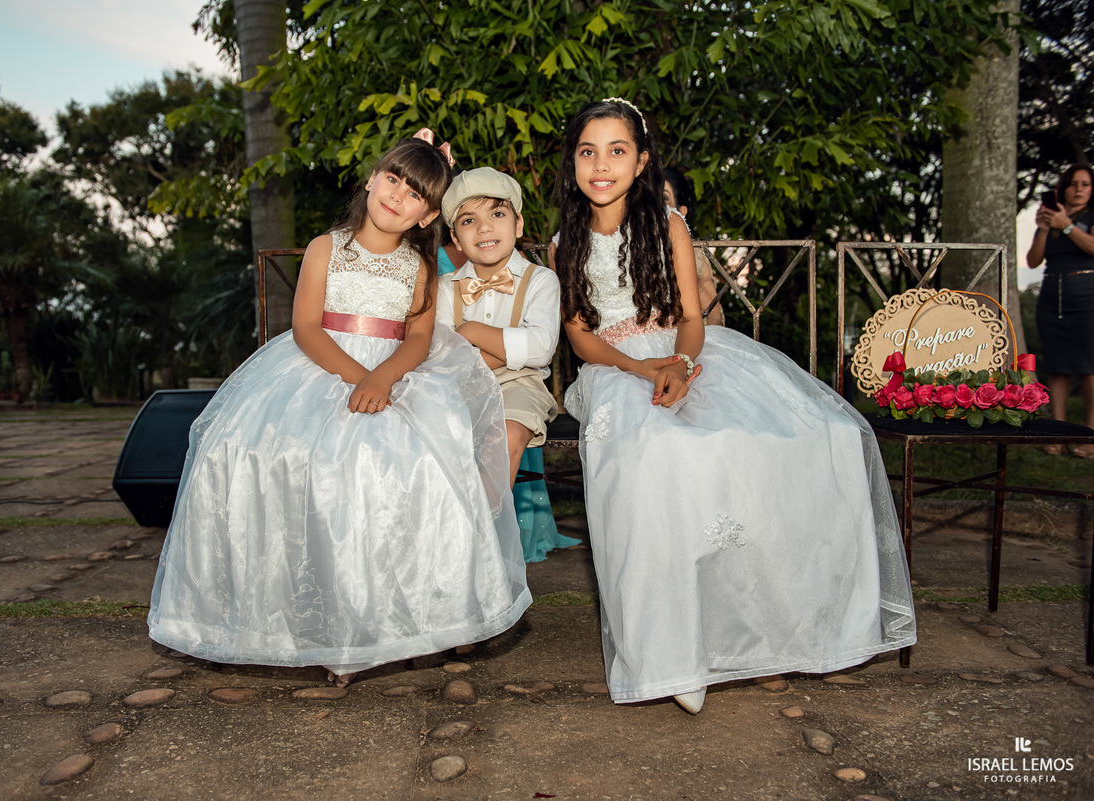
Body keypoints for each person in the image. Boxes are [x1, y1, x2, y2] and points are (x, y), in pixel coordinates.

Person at [551, 99, 916, 714]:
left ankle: (776, 621)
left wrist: (684, 367)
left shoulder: (667, 225)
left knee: (809, 435)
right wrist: (643, 367)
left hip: (691, 352)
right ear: (574, 162)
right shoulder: (568, 240)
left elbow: (692, 318)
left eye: (617, 150)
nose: (602, 164)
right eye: (589, 151)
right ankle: (672, 650)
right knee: (654, 450)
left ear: (641, 162)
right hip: (614, 369)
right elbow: (581, 334)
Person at [148, 132, 532, 687]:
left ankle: (386, 626)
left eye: (416, 194)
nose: (398, 196)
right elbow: (305, 326)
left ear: (428, 217)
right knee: (248, 450)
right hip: (318, 366)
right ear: (373, 178)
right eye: (394, 179)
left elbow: (419, 339)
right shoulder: (327, 247)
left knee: (398, 465)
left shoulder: (419, 267)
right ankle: (297, 623)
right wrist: (357, 377)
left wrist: (384, 377)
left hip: (394, 372)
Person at [436, 177, 579, 563]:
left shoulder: (541, 281)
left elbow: (539, 348)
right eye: (468, 220)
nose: (484, 227)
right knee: (437, 435)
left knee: (507, 434)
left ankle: (480, 542)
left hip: (521, 383)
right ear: (455, 236)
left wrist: (471, 331)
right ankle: (439, 532)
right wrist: (490, 347)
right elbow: (440, 355)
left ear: (517, 224)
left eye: (497, 214)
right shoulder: (445, 288)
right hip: (457, 384)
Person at [1026, 163, 1094, 457]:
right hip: (1051, 301)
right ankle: (1057, 434)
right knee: (1057, 368)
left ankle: (1089, 437)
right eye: (1073, 183)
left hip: (1087, 299)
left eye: (1085, 184)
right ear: (1063, 188)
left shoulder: (1091, 217)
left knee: (1089, 368)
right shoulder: (1051, 220)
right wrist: (1044, 229)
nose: (1078, 189)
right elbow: (1032, 260)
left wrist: (1066, 225)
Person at [662, 166, 724, 327]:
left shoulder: (694, 254)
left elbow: (713, 313)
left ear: (681, 211)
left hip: (688, 338)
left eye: (664, 199)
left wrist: (709, 346)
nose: (655, 206)